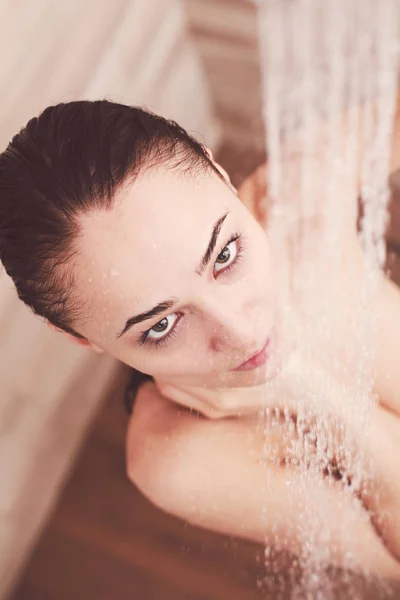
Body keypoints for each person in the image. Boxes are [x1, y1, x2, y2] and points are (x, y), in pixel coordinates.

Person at [1, 100, 400, 586]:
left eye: (226, 255)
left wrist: (326, 167)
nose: (243, 333)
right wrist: (307, 389)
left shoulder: (299, 209)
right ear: (83, 339)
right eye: (161, 326)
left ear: (218, 173)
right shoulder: (176, 458)